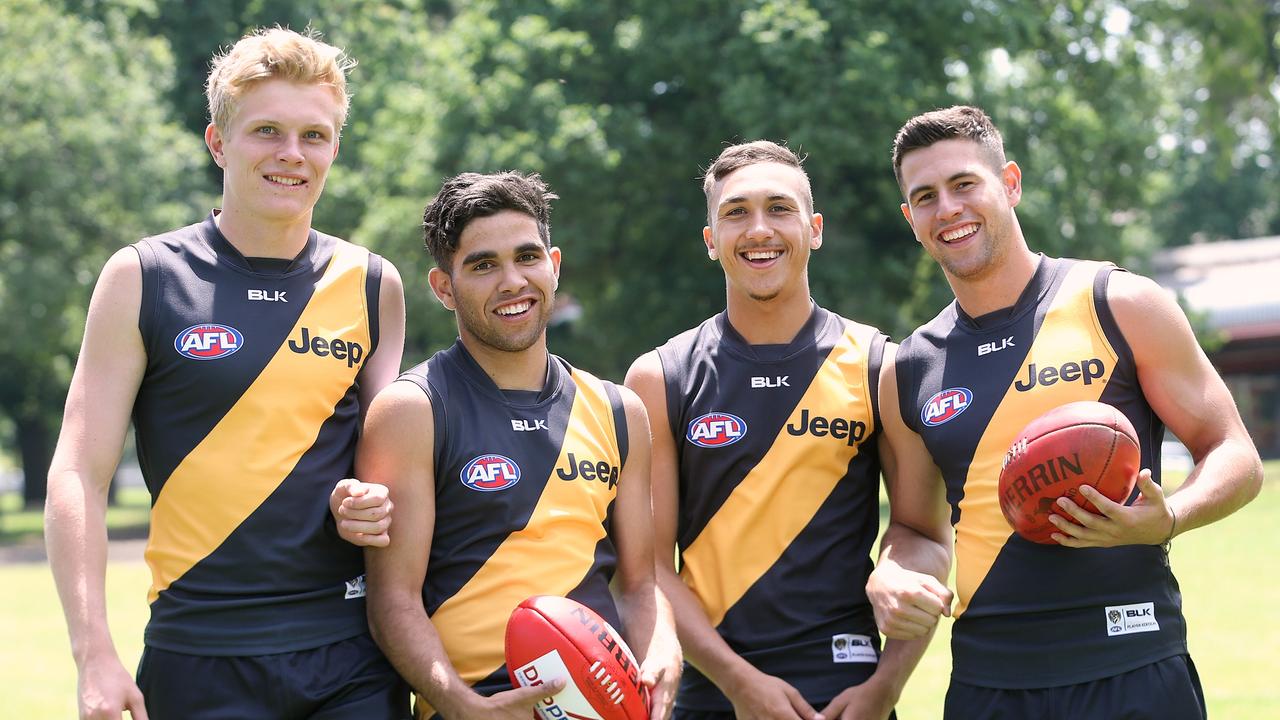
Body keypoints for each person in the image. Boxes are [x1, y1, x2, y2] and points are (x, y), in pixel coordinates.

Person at [44, 27, 409, 720]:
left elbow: (387, 465)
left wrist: (369, 498)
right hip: (198, 656)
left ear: (336, 147)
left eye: (315, 135)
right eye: (266, 131)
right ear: (217, 142)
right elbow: (77, 475)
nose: (291, 155)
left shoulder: (372, 284)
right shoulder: (144, 277)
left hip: (351, 660)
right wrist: (94, 653)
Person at [883, 104, 1264, 718]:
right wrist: (892, 571)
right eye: (925, 197)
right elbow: (914, 529)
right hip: (989, 681)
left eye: (963, 185)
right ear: (911, 219)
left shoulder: (1120, 303)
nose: (947, 209)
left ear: (1009, 183)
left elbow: (1236, 453)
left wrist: (1169, 518)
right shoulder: (910, 365)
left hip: (1132, 661)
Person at [624, 141, 953, 720]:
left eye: (779, 208)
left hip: (849, 689)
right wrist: (738, 682)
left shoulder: (881, 365)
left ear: (814, 229)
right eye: (735, 213)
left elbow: (925, 536)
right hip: (713, 694)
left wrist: (886, 686)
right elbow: (649, 570)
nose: (759, 230)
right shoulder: (660, 376)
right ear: (710, 241)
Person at [361, 170, 682, 720]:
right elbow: (393, 602)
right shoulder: (412, 410)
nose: (512, 281)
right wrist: (460, 705)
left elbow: (640, 584)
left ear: (553, 267)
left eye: (527, 257)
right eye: (483, 265)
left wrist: (663, 650)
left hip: (596, 707)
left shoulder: (618, 411)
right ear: (443, 288)